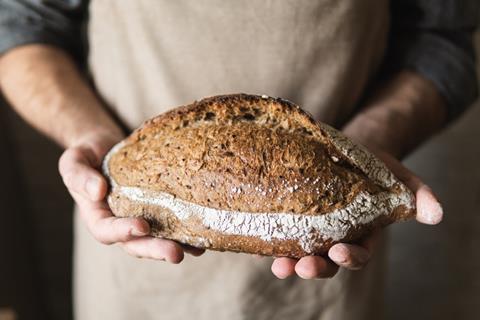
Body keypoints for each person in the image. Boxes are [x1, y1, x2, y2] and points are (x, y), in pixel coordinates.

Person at [0, 1, 478, 319]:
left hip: (327, 280)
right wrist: (90, 135)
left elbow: (443, 41)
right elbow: (20, 24)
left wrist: (370, 138)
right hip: (134, 256)